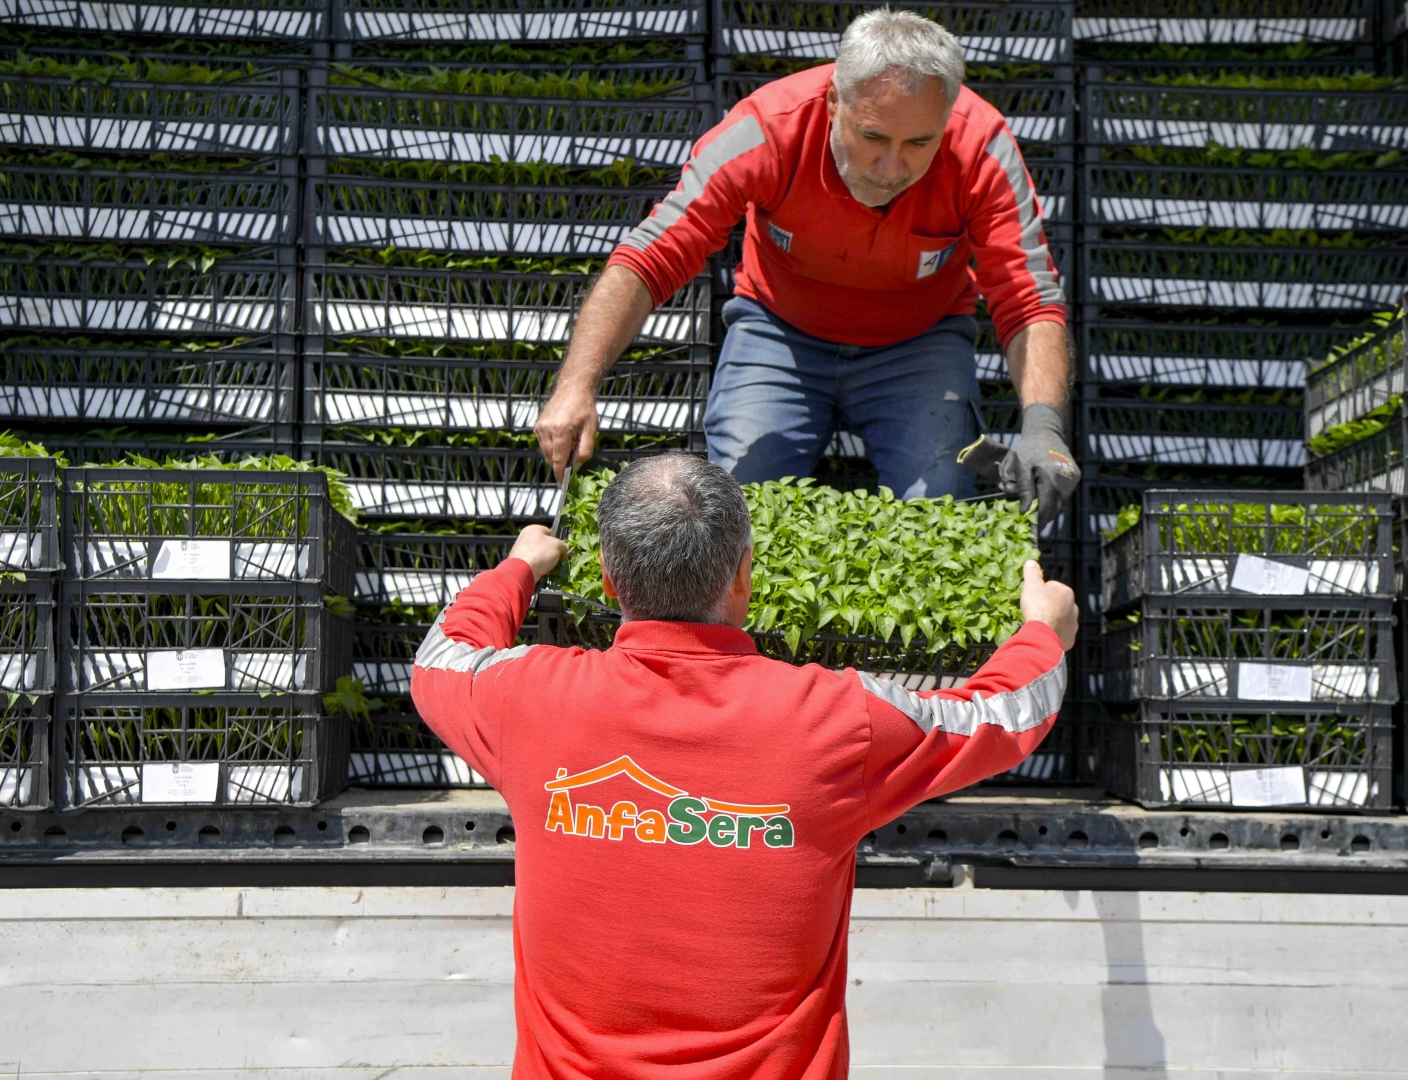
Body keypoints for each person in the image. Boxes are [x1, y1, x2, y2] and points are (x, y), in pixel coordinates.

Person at [412, 453, 1078, 1079]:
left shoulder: (526, 699)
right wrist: (1043, 628)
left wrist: (520, 566)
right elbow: (1006, 714)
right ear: (742, 574)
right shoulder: (836, 719)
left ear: (611, 582)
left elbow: (442, 654)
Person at [535, 9, 1078, 526]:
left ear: (946, 119)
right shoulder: (767, 128)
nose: (893, 168)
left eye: (919, 143)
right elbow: (655, 252)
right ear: (833, 101)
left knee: (938, 507)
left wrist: (1044, 427)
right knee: (735, 509)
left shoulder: (983, 145)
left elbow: (1027, 296)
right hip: (778, 333)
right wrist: (576, 385)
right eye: (872, 137)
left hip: (921, 344)